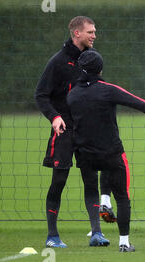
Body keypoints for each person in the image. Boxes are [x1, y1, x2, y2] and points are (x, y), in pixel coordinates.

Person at [67, 50, 145, 252]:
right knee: (123, 197)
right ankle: (124, 242)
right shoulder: (108, 90)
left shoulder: (72, 95)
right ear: (100, 69)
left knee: (90, 189)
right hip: (111, 153)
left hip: (84, 155)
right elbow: (140, 104)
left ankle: (97, 225)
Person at [35, 16, 114, 247]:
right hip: (64, 131)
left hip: (87, 132)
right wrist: (55, 117)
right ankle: (52, 236)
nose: (94, 35)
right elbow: (40, 95)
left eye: (95, 31)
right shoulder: (58, 62)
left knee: (91, 179)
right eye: (90, 32)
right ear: (76, 34)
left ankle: (97, 233)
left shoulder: (91, 60)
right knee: (59, 180)